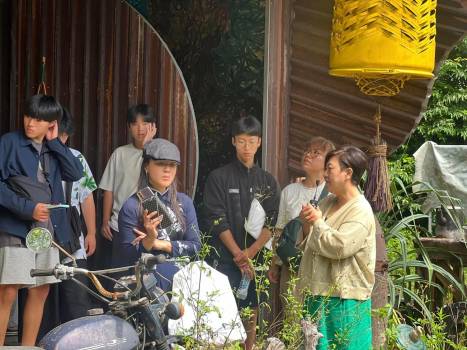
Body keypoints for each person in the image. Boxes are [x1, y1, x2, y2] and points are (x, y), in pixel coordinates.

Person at [0, 95, 83, 346]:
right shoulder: (9, 142)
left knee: (41, 289)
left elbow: (75, 173)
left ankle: (27, 347)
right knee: (9, 289)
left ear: (51, 123)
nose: (30, 123)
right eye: (28, 116)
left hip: (47, 229)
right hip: (15, 226)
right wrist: (27, 208)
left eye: (39, 119)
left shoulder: (53, 146)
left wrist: (55, 142)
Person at [203, 116, 280, 350]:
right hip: (226, 259)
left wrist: (251, 252)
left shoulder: (267, 181)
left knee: (251, 308)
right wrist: (238, 253)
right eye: (242, 142)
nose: (247, 147)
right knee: (222, 309)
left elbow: (274, 220)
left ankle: (250, 346)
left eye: (252, 141)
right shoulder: (219, 177)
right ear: (234, 142)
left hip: (254, 259)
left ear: (259, 143)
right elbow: (216, 219)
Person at [297, 145, 376, 350]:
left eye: (329, 169)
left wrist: (317, 222)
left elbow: (340, 247)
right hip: (317, 292)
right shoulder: (328, 201)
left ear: (348, 173)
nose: (325, 175)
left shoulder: (361, 209)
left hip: (345, 299)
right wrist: (307, 222)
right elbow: (311, 239)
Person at [113, 138, 201, 292]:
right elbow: (127, 256)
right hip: (152, 285)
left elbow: (195, 246)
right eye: (161, 164)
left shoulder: (184, 202)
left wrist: (160, 244)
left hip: (187, 282)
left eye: (172, 165)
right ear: (146, 166)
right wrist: (149, 240)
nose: (167, 170)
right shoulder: (132, 205)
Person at [268, 136, 335, 327]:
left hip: (320, 268)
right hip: (292, 266)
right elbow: (280, 230)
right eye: (307, 151)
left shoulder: (331, 192)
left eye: (316, 153)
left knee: (318, 324)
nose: (308, 155)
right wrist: (275, 264)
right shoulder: (289, 191)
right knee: (292, 320)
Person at [57, 108, 97, 321]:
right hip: (43, 227)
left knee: (77, 293)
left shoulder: (77, 158)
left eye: (63, 135)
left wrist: (91, 232)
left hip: (73, 231)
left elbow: (86, 197)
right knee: (42, 290)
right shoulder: (35, 157)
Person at [99, 104, 157, 243]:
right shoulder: (120, 153)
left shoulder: (159, 154)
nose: (140, 129)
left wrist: (147, 146)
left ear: (153, 127)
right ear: (129, 127)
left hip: (151, 227)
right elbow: (108, 189)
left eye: (145, 123)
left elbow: (150, 184)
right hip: (119, 225)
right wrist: (105, 221)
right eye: (135, 124)